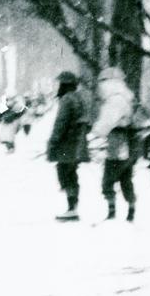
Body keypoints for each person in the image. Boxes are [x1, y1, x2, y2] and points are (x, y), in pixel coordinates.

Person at [89, 67, 138, 221]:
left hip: (118, 143)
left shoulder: (115, 99)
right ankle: (131, 212)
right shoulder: (126, 97)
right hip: (129, 142)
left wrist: (95, 132)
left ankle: (112, 213)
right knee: (125, 179)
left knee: (108, 180)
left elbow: (106, 122)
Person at [47, 71, 92, 221]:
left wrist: (52, 142)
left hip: (67, 144)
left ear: (64, 85)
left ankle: (72, 208)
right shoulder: (80, 98)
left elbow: (60, 123)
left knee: (65, 173)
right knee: (71, 173)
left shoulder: (66, 100)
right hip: (78, 143)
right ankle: (73, 206)